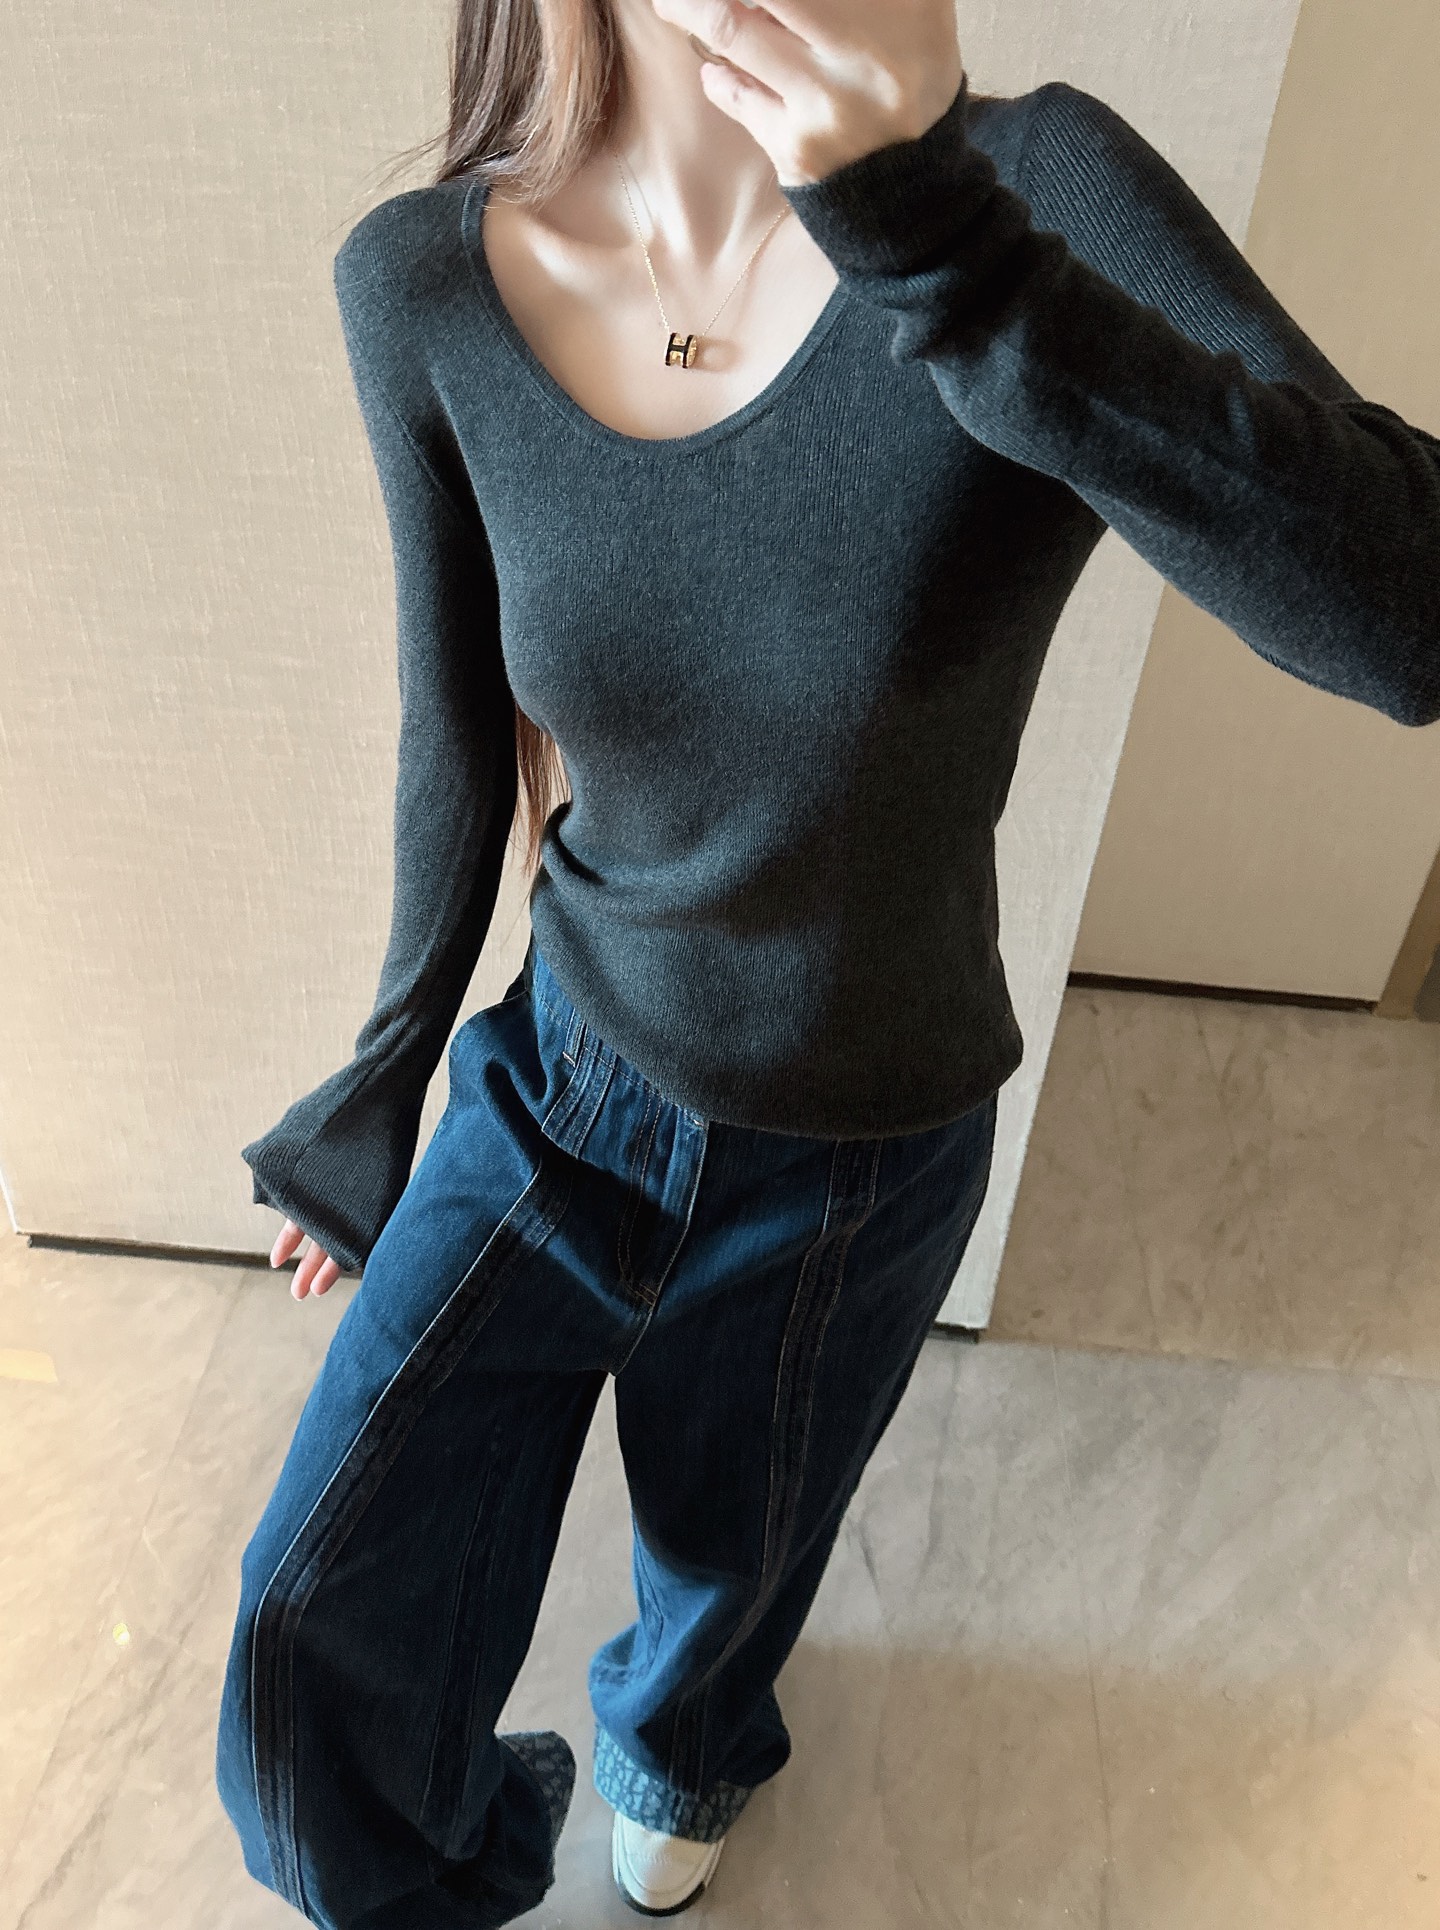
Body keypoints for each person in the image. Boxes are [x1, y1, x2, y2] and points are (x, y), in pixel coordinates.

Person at [216, 0, 1440, 1923]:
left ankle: (681, 1741)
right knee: (312, 1656)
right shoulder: (423, 284)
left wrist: (937, 238)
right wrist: (374, 1091)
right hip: (564, 1085)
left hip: (863, 1136)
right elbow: (454, 730)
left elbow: (1408, 614)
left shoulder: (1032, 190)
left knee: (731, 1564)